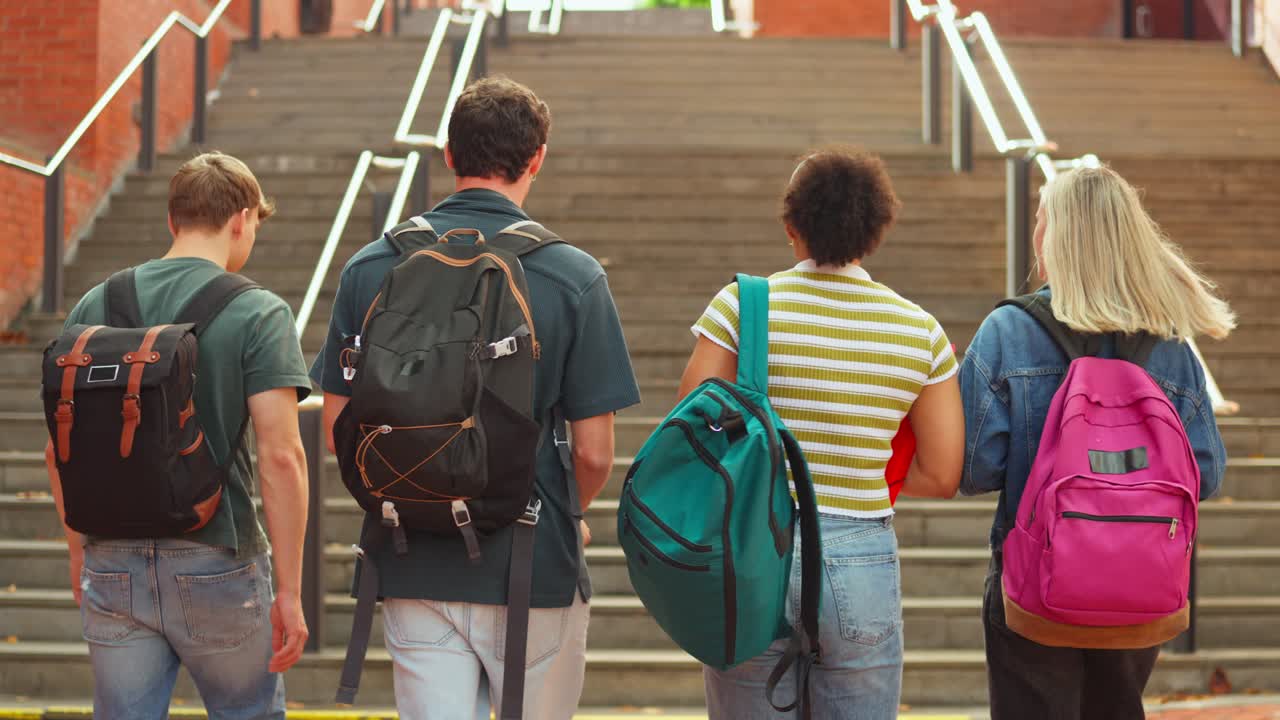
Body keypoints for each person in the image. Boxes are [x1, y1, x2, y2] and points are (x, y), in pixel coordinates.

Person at [310, 76, 640, 720]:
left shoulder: (372, 267)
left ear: (450, 155)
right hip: (532, 560)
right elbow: (596, 453)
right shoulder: (573, 276)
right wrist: (565, 507)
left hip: (409, 559)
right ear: (537, 158)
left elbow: (337, 428)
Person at [680, 146, 965, 719]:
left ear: (792, 227)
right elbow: (940, 474)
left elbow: (690, 430)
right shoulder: (920, 332)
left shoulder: (742, 307)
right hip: (861, 553)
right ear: (876, 232)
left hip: (753, 545)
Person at [45, 152, 312, 719]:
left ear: (173, 221)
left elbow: (59, 447)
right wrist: (289, 590)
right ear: (241, 219)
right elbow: (282, 457)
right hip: (219, 556)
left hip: (111, 558)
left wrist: (78, 551)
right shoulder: (259, 312)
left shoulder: (98, 302)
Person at [959, 165, 1233, 720]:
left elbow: (973, 468)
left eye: (1041, 219)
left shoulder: (1008, 333)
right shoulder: (1170, 345)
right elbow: (1206, 471)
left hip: (1035, 585)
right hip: (1139, 582)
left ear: (1053, 236)